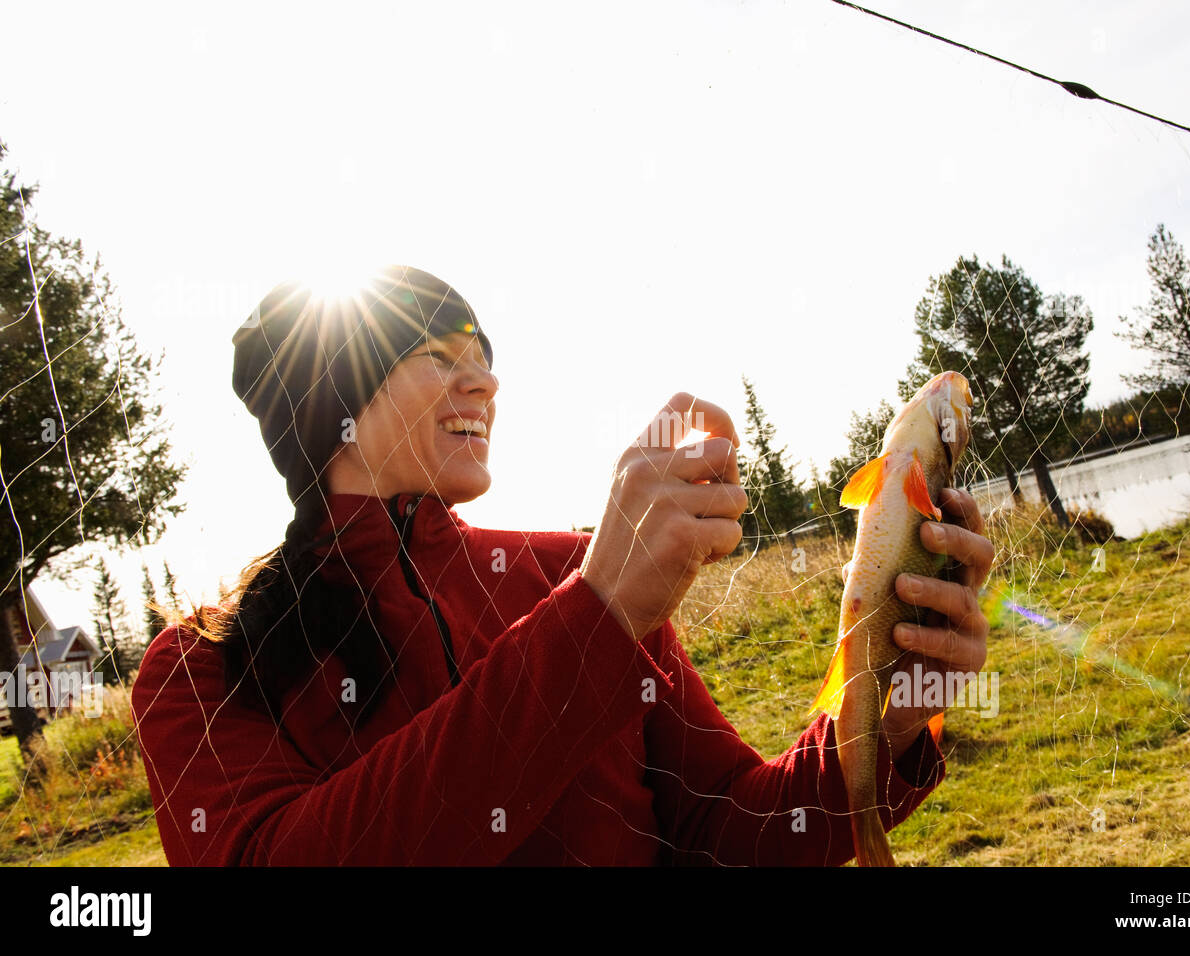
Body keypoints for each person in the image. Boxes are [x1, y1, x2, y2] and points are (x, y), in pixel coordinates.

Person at [132, 265, 993, 866]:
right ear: (332, 403)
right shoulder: (198, 669)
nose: (484, 385)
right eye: (440, 356)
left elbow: (732, 833)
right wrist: (597, 619)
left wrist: (888, 716)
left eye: (486, 360)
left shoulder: (565, 575)